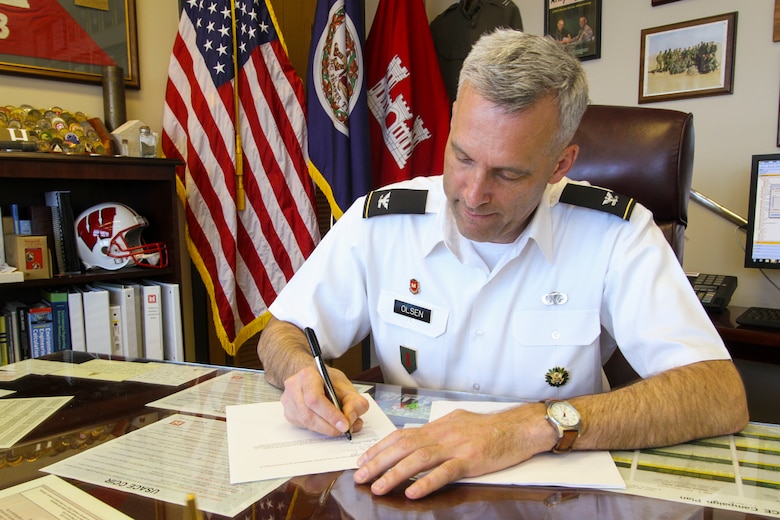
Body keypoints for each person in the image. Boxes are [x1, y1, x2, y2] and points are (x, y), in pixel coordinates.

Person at [257, 29, 748, 500]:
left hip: (555, 497)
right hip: (404, 486)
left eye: (508, 173)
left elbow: (717, 394)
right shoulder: (381, 221)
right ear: (451, 123)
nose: (472, 194)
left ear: (560, 164)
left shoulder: (617, 234)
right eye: (463, 157)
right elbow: (282, 332)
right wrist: (304, 372)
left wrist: (529, 426)